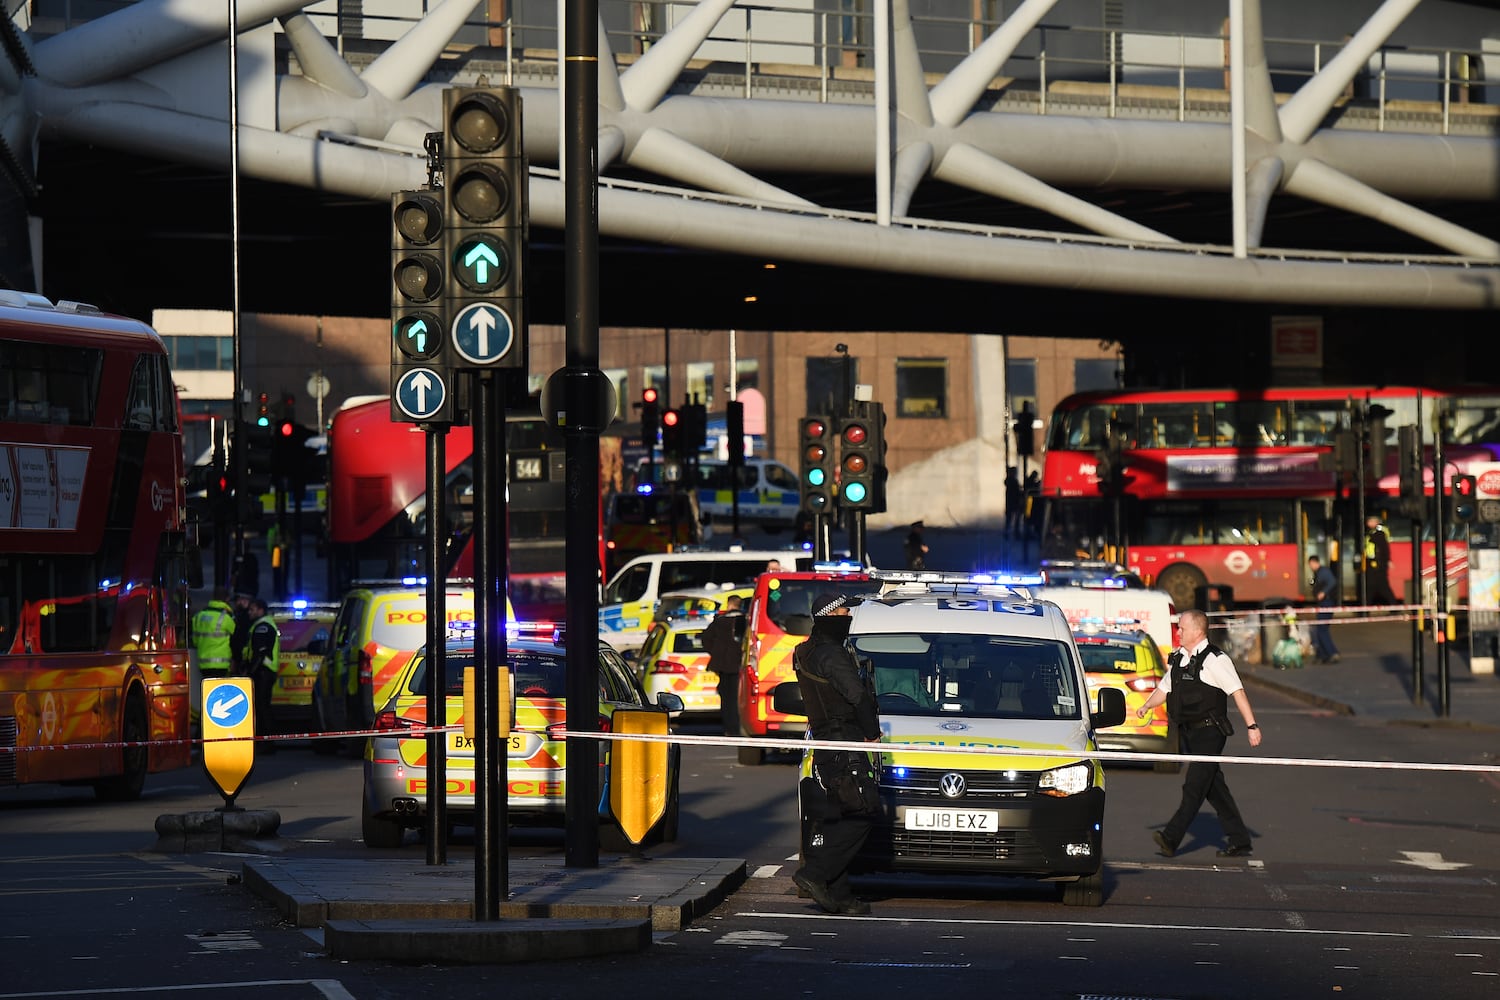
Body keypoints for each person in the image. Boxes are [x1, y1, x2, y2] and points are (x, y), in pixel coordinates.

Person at [1135, 608, 1263, 858]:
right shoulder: (1179, 659)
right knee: (1214, 787)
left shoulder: (1216, 660)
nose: (1178, 632)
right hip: (1189, 733)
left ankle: (1170, 838)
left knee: (1194, 786)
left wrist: (1252, 726)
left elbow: (1237, 692)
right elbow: (1165, 688)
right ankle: (1240, 839)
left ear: (1197, 630)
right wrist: (1147, 706)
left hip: (1210, 732)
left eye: (1182, 627)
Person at [791, 592, 881, 916]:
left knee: (843, 813)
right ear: (830, 616)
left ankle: (840, 894)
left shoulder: (804, 652)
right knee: (865, 811)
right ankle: (814, 874)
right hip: (846, 743)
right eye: (844, 611)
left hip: (826, 746)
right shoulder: (832, 654)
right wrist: (872, 733)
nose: (849, 616)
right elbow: (857, 697)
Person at [701, 594, 748, 737]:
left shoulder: (719, 622)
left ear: (729, 605)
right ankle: (736, 728)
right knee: (735, 698)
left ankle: (729, 728)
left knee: (726, 698)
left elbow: (706, 639)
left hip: (721, 665)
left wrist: (716, 653)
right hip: (738, 665)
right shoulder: (745, 622)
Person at [240, 597, 282, 752]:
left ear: (260, 610)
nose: (249, 613)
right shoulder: (264, 624)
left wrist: (250, 670)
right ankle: (266, 741)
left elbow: (260, 652)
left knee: (262, 706)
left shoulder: (262, 626)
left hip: (262, 671)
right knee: (263, 706)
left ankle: (267, 742)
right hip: (265, 671)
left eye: (252, 609)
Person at [191, 587, 238, 680]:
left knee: (207, 691)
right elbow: (235, 640)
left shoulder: (199, 616)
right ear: (227, 599)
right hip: (222, 664)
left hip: (203, 664)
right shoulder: (226, 617)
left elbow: (195, 641)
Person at [1308, 555, 1341, 664]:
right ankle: (1323, 654)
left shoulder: (1324, 572)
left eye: (1310, 564)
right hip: (1325, 602)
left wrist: (1323, 592)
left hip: (1327, 602)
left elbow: (1332, 582)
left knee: (1321, 629)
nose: (1310, 567)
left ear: (1314, 562)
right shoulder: (1319, 573)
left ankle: (1332, 653)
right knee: (1321, 629)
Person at [1362, 514, 1398, 607]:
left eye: (1370, 521)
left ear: (1376, 522)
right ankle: (1366, 607)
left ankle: (1393, 605)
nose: (1368, 523)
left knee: (1380, 586)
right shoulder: (1371, 532)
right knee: (1372, 586)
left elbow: (1384, 549)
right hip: (1372, 563)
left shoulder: (1379, 533)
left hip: (1378, 563)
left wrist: (1387, 560)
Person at [1004, 467, 1024, 537]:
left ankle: (1008, 532)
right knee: (1014, 518)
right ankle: (1015, 532)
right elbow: (1016, 492)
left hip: (1010, 502)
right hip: (1014, 502)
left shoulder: (1010, 481)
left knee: (1010, 519)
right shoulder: (1013, 481)